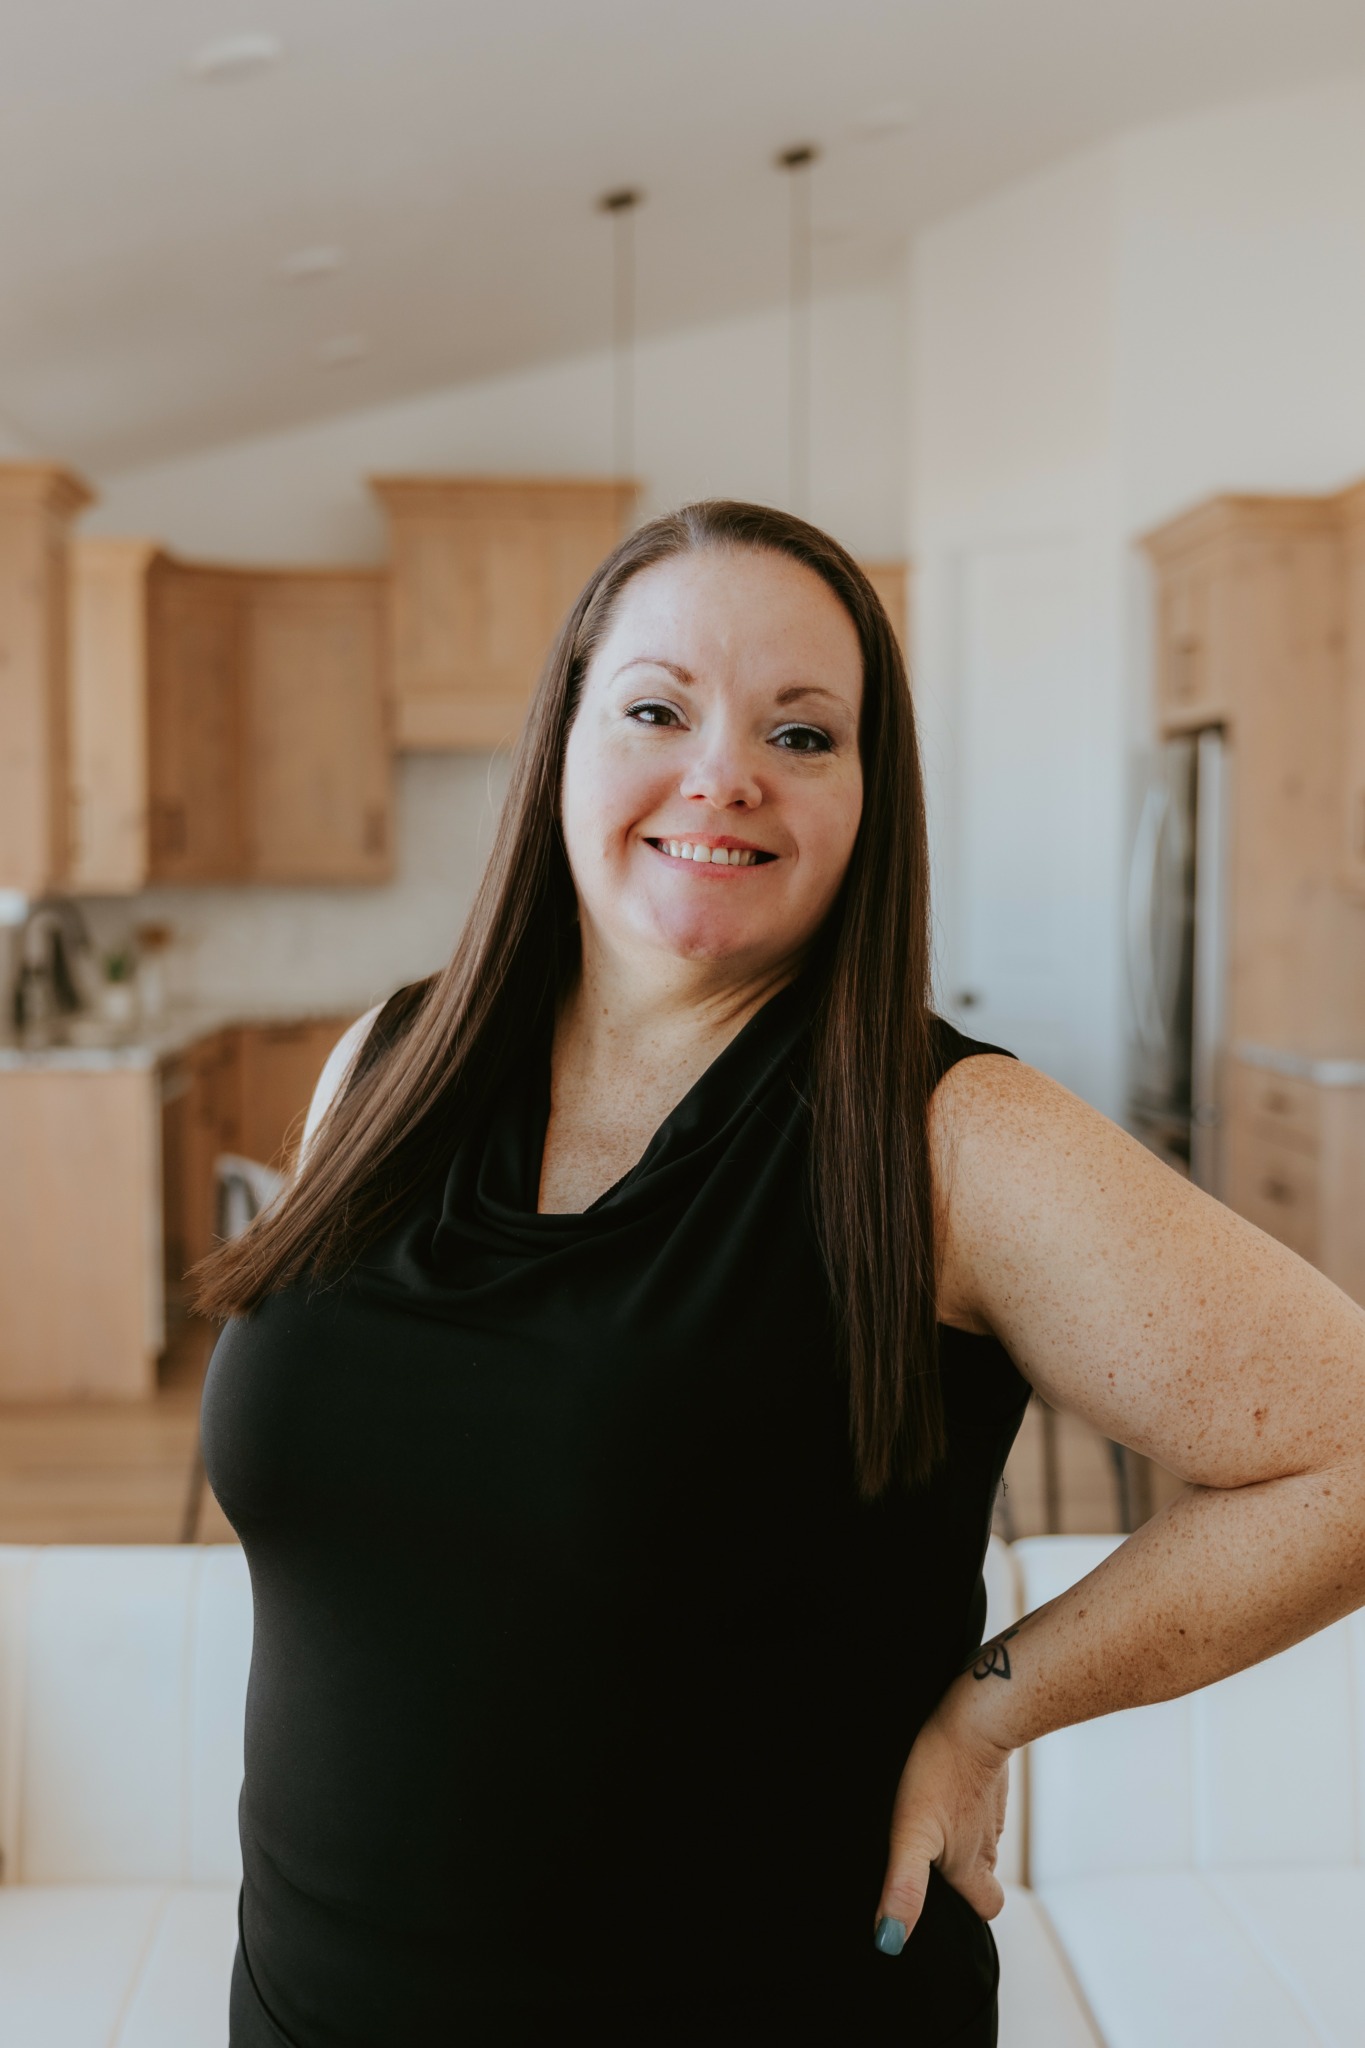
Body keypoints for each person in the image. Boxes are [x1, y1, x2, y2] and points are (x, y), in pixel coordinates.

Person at [195, 500, 1365, 2048]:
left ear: (869, 799)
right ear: (561, 743)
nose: (722, 772)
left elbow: (1346, 1445)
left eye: (800, 733)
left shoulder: (946, 1138)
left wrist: (995, 1703)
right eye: (656, 709)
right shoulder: (385, 1061)